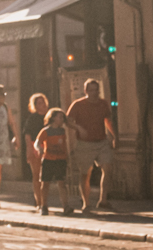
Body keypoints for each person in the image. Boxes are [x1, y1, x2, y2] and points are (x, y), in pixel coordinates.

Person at [66, 79, 117, 211]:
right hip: (85, 144)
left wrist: (114, 136)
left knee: (108, 168)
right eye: (91, 90)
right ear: (86, 91)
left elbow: (108, 120)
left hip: (101, 141)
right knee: (85, 174)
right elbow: (68, 121)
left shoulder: (103, 104)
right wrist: (79, 128)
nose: (94, 93)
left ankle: (103, 200)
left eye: (96, 90)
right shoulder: (78, 104)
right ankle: (86, 203)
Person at [33, 106, 75, 216]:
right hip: (48, 159)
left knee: (62, 183)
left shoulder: (62, 131)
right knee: (45, 183)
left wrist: (67, 157)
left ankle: (66, 206)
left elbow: (64, 145)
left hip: (60, 160)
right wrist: (40, 149)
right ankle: (44, 205)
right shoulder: (46, 131)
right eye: (60, 117)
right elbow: (37, 142)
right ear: (53, 118)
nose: (62, 119)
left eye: (62, 117)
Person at [24, 93, 50, 214]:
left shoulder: (50, 117)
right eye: (39, 103)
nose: (42, 105)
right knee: (36, 175)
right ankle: (38, 201)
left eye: (43, 102)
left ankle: (44, 201)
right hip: (36, 147)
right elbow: (27, 134)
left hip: (49, 147)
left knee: (46, 176)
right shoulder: (32, 118)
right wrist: (29, 149)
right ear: (35, 106)